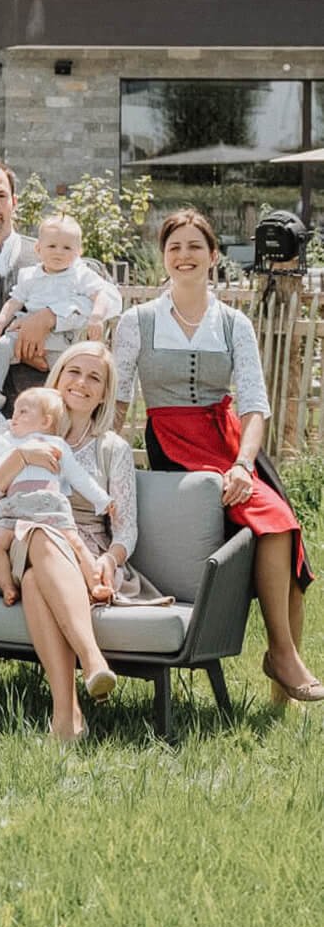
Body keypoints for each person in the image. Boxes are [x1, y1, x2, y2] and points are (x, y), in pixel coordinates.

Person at [113, 208, 322, 704]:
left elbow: (254, 404)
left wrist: (244, 465)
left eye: (194, 247)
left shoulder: (233, 323)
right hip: (174, 442)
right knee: (273, 522)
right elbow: (117, 402)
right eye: (174, 247)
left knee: (287, 532)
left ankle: (281, 676)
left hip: (230, 441)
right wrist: (108, 460)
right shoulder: (136, 320)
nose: (184, 256)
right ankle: (282, 656)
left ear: (213, 255)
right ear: (164, 257)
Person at [0, 342, 165, 742]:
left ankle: (66, 718)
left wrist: (111, 559)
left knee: (38, 580)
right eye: (74, 371)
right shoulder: (18, 432)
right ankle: (92, 660)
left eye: (95, 378)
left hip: (87, 556)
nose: (82, 383)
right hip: (24, 539)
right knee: (41, 532)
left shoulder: (112, 449)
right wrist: (18, 460)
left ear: (104, 393)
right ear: (58, 376)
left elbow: (125, 529)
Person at [0, 158, 121, 403]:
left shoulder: (52, 251)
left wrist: (50, 316)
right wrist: (11, 352)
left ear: (14, 201)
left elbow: (111, 300)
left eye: (0, 196)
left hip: (53, 408)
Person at [0, 386, 115, 617]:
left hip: (48, 505)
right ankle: (7, 586)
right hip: (14, 510)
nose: (14, 417)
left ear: (46, 421)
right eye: (14, 411)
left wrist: (102, 500)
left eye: (23, 412)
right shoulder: (8, 441)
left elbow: (80, 477)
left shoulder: (58, 446)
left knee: (75, 541)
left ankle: (95, 583)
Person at [0, 214, 119, 411]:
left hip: (62, 337)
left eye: (67, 248)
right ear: (38, 249)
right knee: (2, 347)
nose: (59, 253)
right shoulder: (29, 276)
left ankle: (60, 407)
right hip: (25, 329)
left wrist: (96, 317)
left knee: (62, 373)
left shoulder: (81, 274)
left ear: (79, 251)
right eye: (52, 246)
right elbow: (14, 301)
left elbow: (101, 295)